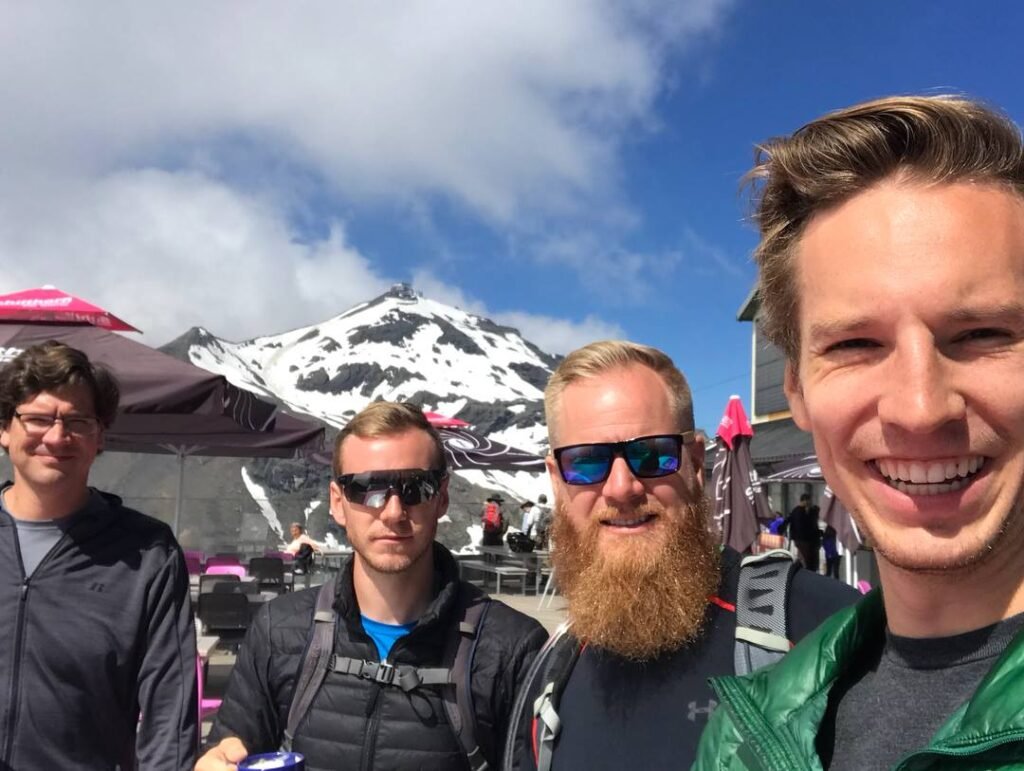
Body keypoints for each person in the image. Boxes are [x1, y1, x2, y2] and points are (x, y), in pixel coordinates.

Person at [695, 95, 1024, 769]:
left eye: (983, 333)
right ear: (797, 391)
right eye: (854, 344)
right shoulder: (747, 735)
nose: (920, 406)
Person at [504, 341, 856, 770]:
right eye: (586, 463)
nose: (621, 487)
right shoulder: (550, 674)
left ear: (694, 462)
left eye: (651, 454)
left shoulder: (825, 631)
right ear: (558, 482)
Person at [200, 401, 547, 770]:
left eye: (416, 488)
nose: (394, 511)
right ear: (337, 502)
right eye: (367, 488)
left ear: (441, 497)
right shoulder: (278, 631)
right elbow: (233, 742)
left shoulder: (513, 649)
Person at [0, 341, 197, 770]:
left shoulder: (148, 553)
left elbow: (170, 713)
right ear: (4, 429)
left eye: (77, 421)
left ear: (99, 436)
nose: (56, 436)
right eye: (37, 418)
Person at [787, 492, 822, 572]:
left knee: (809, 559)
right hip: (802, 539)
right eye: (807, 501)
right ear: (804, 501)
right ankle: (806, 571)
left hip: (809, 540)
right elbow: (801, 525)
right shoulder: (798, 511)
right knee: (805, 558)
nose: (809, 503)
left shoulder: (810, 511)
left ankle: (808, 570)